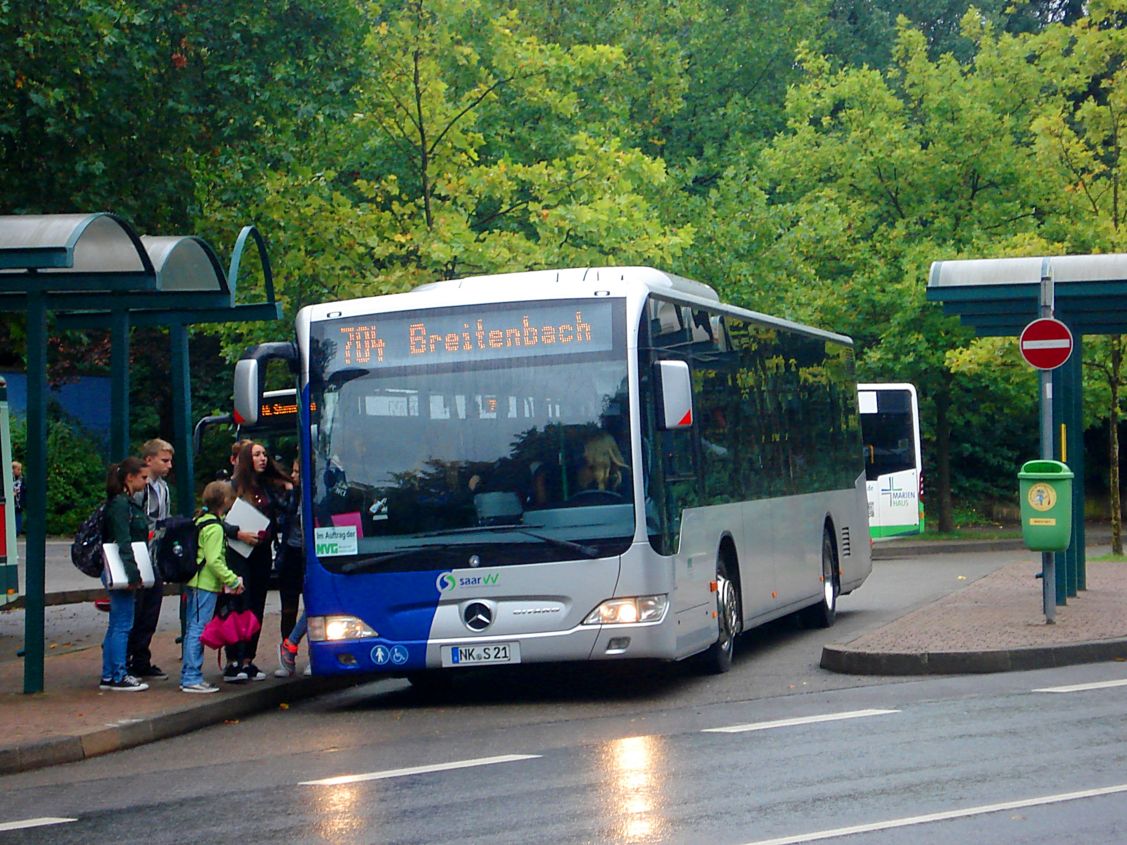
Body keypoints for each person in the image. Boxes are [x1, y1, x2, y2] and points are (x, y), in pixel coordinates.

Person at [223, 440, 291, 683]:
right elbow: (215, 521)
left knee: (256, 605)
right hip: (238, 554)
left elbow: (283, 511)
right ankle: (233, 660)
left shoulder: (268, 487)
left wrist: (290, 488)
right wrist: (237, 533)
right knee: (238, 604)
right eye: (256, 455)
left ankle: (248, 659)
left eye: (264, 454)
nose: (262, 458)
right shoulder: (231, 488)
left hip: (261, 553)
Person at [180, 481, 244, 693]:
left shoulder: (201, 520)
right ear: (225, 501)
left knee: (192, 627)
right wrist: (232, 579)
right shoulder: (215, 528)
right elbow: (214, 560)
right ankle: (191, 677)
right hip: (205, 583)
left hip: (195, 582)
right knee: (198, 629)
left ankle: (189, 674)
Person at [99, 457, 151, 692]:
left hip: (113, 566)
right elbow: (124, 540)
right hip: (120, 567)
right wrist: (133, 573)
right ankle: (118, 673)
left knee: (116, 623)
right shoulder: (122, 504)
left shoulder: (118, 503)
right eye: (143, 477)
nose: (145, 481)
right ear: (129, 478)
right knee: (122, 623)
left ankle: (110, 674)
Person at [127, 438, 174, 681]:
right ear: (149, 460)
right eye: (164, 460)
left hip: (154, 554)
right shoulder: (140, 489)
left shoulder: (162, 487)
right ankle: (128, 658)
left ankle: (141, 658)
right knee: (138, 606)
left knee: (151, 608)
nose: (169, 465)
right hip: (141, 553)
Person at [274, 457, 306, 677]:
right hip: (291, 554)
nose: (292, 476)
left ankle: (308, 651)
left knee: (315, 605)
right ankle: (287, 652)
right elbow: (282, 518)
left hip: (312, 555)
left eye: (297, 472)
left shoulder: (320, 495)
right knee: (289, 608)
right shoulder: (291, 496)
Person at [11, 460, 23, 535]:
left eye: (20, 469)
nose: (20, 471)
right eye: (18, 469)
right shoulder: (9, 479)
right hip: (11, 504)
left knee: (18, 528)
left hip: (18, 505)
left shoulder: (21, 479)